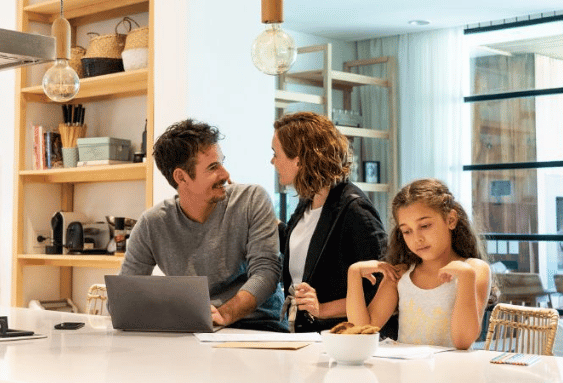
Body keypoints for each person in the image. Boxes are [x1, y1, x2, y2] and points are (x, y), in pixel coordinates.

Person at [119, 119, 286, 332]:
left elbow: (266, 272)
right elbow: (124, 296)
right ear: (181, 177)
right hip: (194, 330)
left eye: (222, 163)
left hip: (259, 326)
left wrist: (224, 314)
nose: (225, 175)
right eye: (213, 167)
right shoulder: (152, 224)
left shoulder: (251, 199)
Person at [272, 112, 387, 333]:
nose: (272, 161)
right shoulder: (308, 201)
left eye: (275, 153)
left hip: (339, 339)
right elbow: (307, 253)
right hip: (305, 334)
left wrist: (322, 309)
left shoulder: (354, 209)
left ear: (299, 159)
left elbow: (381, 286)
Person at [346, 178, 491, 350]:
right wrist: (354, 273)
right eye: (407, 231)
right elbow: (361, 332)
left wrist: (466, 276)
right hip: (407, 373)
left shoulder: (474, 269)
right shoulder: (401, 275)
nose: (417, 239)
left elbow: (462, 341)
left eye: (425, 225)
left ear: (451, 220)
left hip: (452, 374)